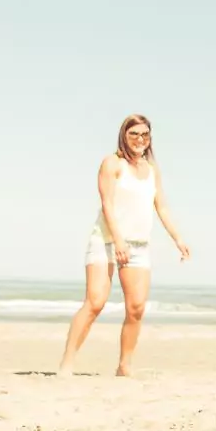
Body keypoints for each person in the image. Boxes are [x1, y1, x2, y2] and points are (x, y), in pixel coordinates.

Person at [57, 114, 190, 377]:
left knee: (137, 307)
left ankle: (124, 365)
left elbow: (161, 206)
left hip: (139, 245)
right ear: (124, 136)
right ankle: (67, 362)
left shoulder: (152, 170)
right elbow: (107, 204)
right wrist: (117, 240)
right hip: (106, 241)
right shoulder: (112, 164)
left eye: (145, 134)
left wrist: (178, 238)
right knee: (95, 302)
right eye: (134, 134)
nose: (140, 139)